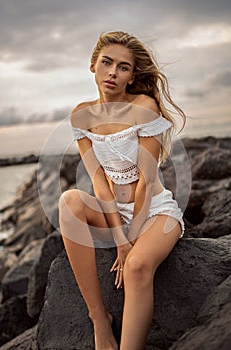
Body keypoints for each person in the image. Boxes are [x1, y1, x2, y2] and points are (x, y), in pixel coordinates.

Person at [58, 31, 186, 350]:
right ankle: (100, 321)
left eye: (124, 67)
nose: (113, 72)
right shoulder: (81, 115)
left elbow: (145, 180)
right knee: (69, 200)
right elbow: (100, 183)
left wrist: (132, 243)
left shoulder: (145, 106)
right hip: (115, 213)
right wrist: (120, 239)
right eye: (107, 62)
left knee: (137, 266)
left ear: (132, 77)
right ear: (93, 66)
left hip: (155, 211)